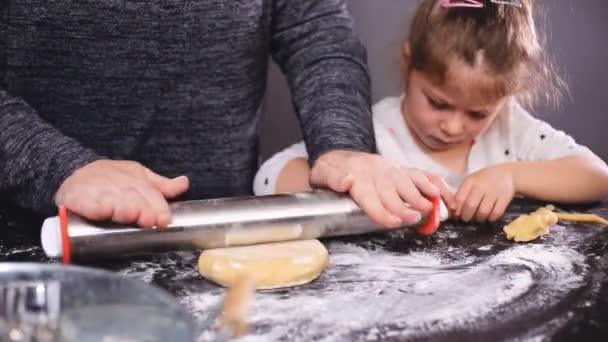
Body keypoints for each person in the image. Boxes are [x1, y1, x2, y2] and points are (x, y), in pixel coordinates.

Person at [0, 1, 444, 230]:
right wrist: (58, 167)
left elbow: (315, 29)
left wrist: (342, 145)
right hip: (34, 239)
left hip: (222, 232)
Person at [253, 0, 608, 223]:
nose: (453, 126)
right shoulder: (373, 130)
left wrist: (511, 176)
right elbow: (267, 177)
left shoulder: (510, 130)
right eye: (438, 103)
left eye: (477, 114)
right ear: (409, 64)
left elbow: (598, 176)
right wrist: (362, 185)